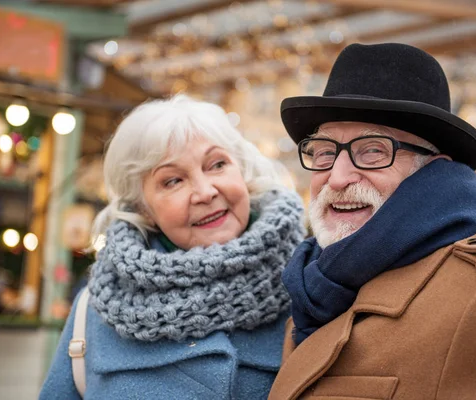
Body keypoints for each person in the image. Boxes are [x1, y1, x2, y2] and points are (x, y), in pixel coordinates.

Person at [268, 43, 476, 400]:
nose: (336, 177)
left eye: (372, 150)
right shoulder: (310, 296)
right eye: (324, 152)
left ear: (432, 168)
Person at [40, 95, 306, 400]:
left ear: (242, 171)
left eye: (217, 164)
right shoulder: (97, 307)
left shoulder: (310, 285)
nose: (205, 192)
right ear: (143, 209)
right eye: (173, 181)